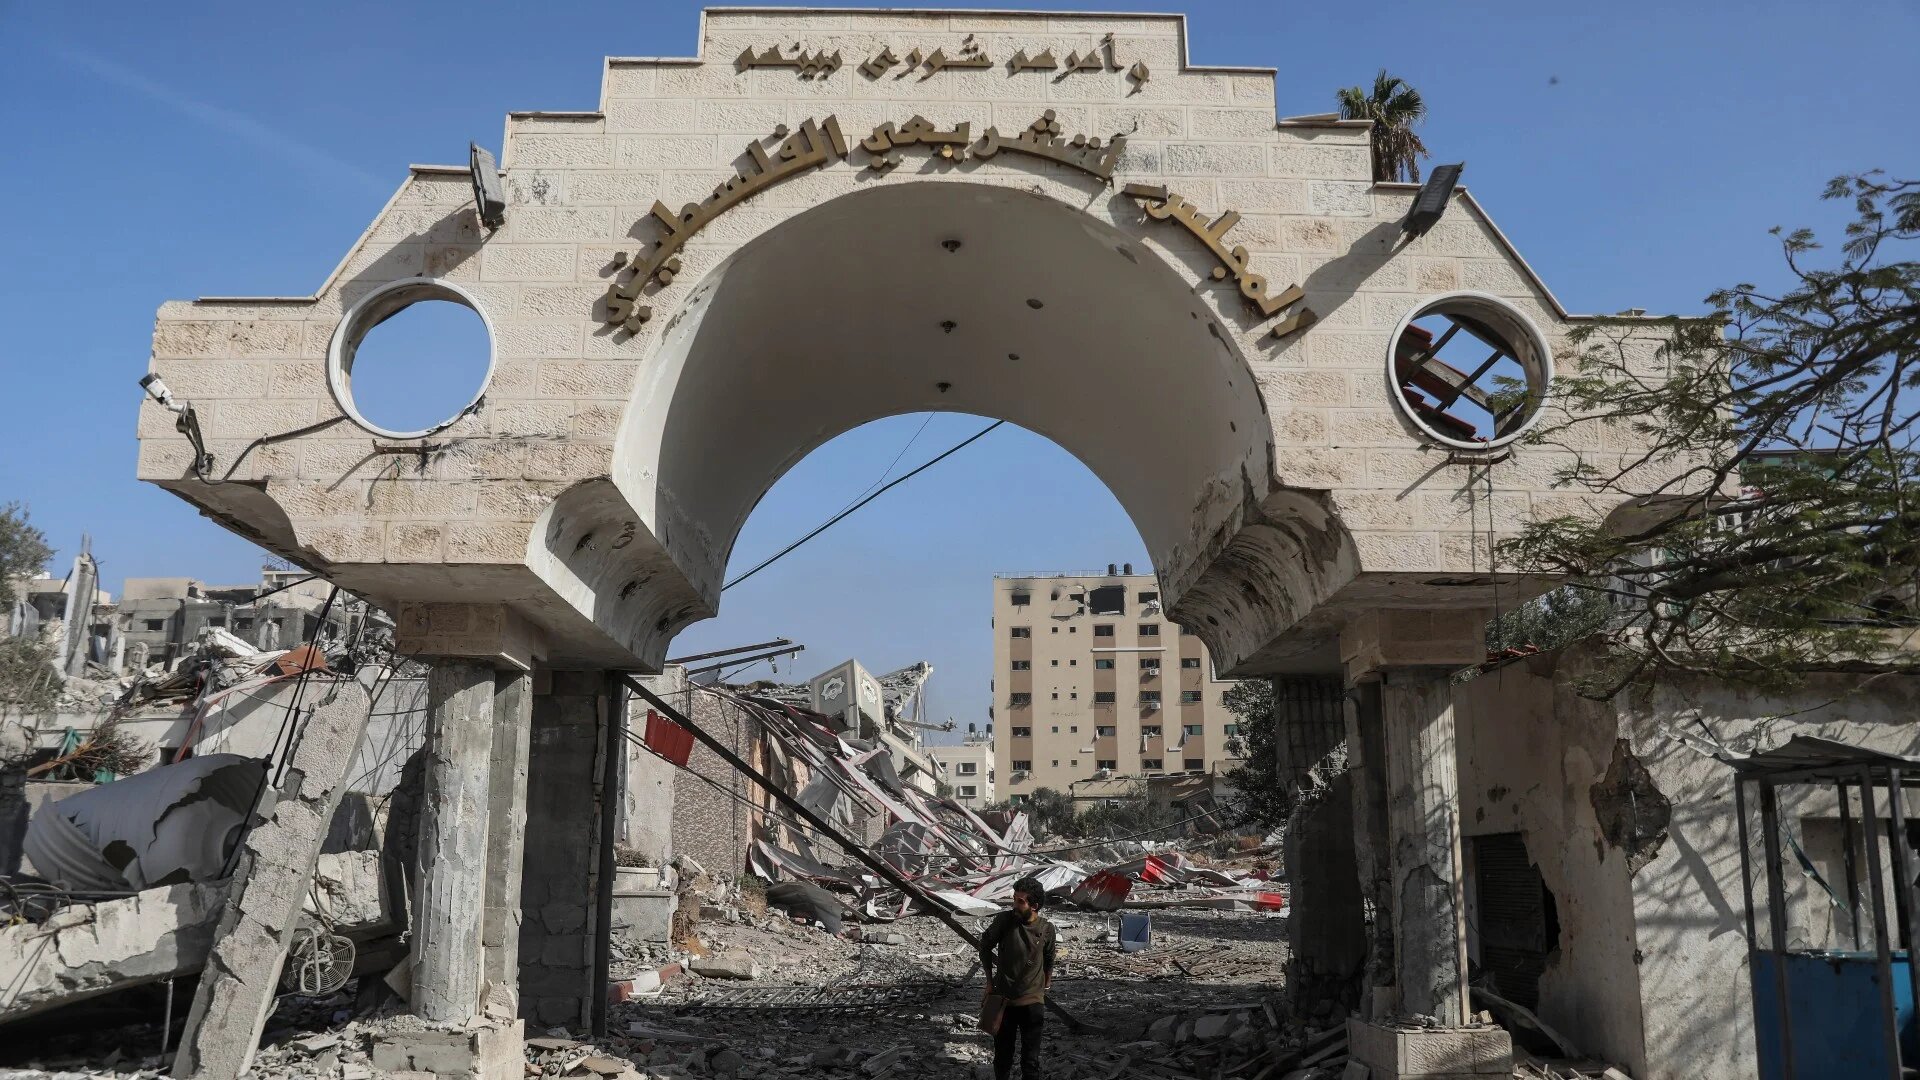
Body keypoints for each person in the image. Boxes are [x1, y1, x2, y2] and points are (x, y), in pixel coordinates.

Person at [979, 876, 1058, 1080]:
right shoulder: (1004, 921)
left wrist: (1046, 984)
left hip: (1032, 1004)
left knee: (1030, 1061)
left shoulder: (1047, 929)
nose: (1014, 905)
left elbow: (1049, 958)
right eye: (1014, 899)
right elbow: (985, 946)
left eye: (1020, 901)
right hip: (1004, 1001)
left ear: (1035, 906)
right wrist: (989, 983)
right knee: (1002, 1057)